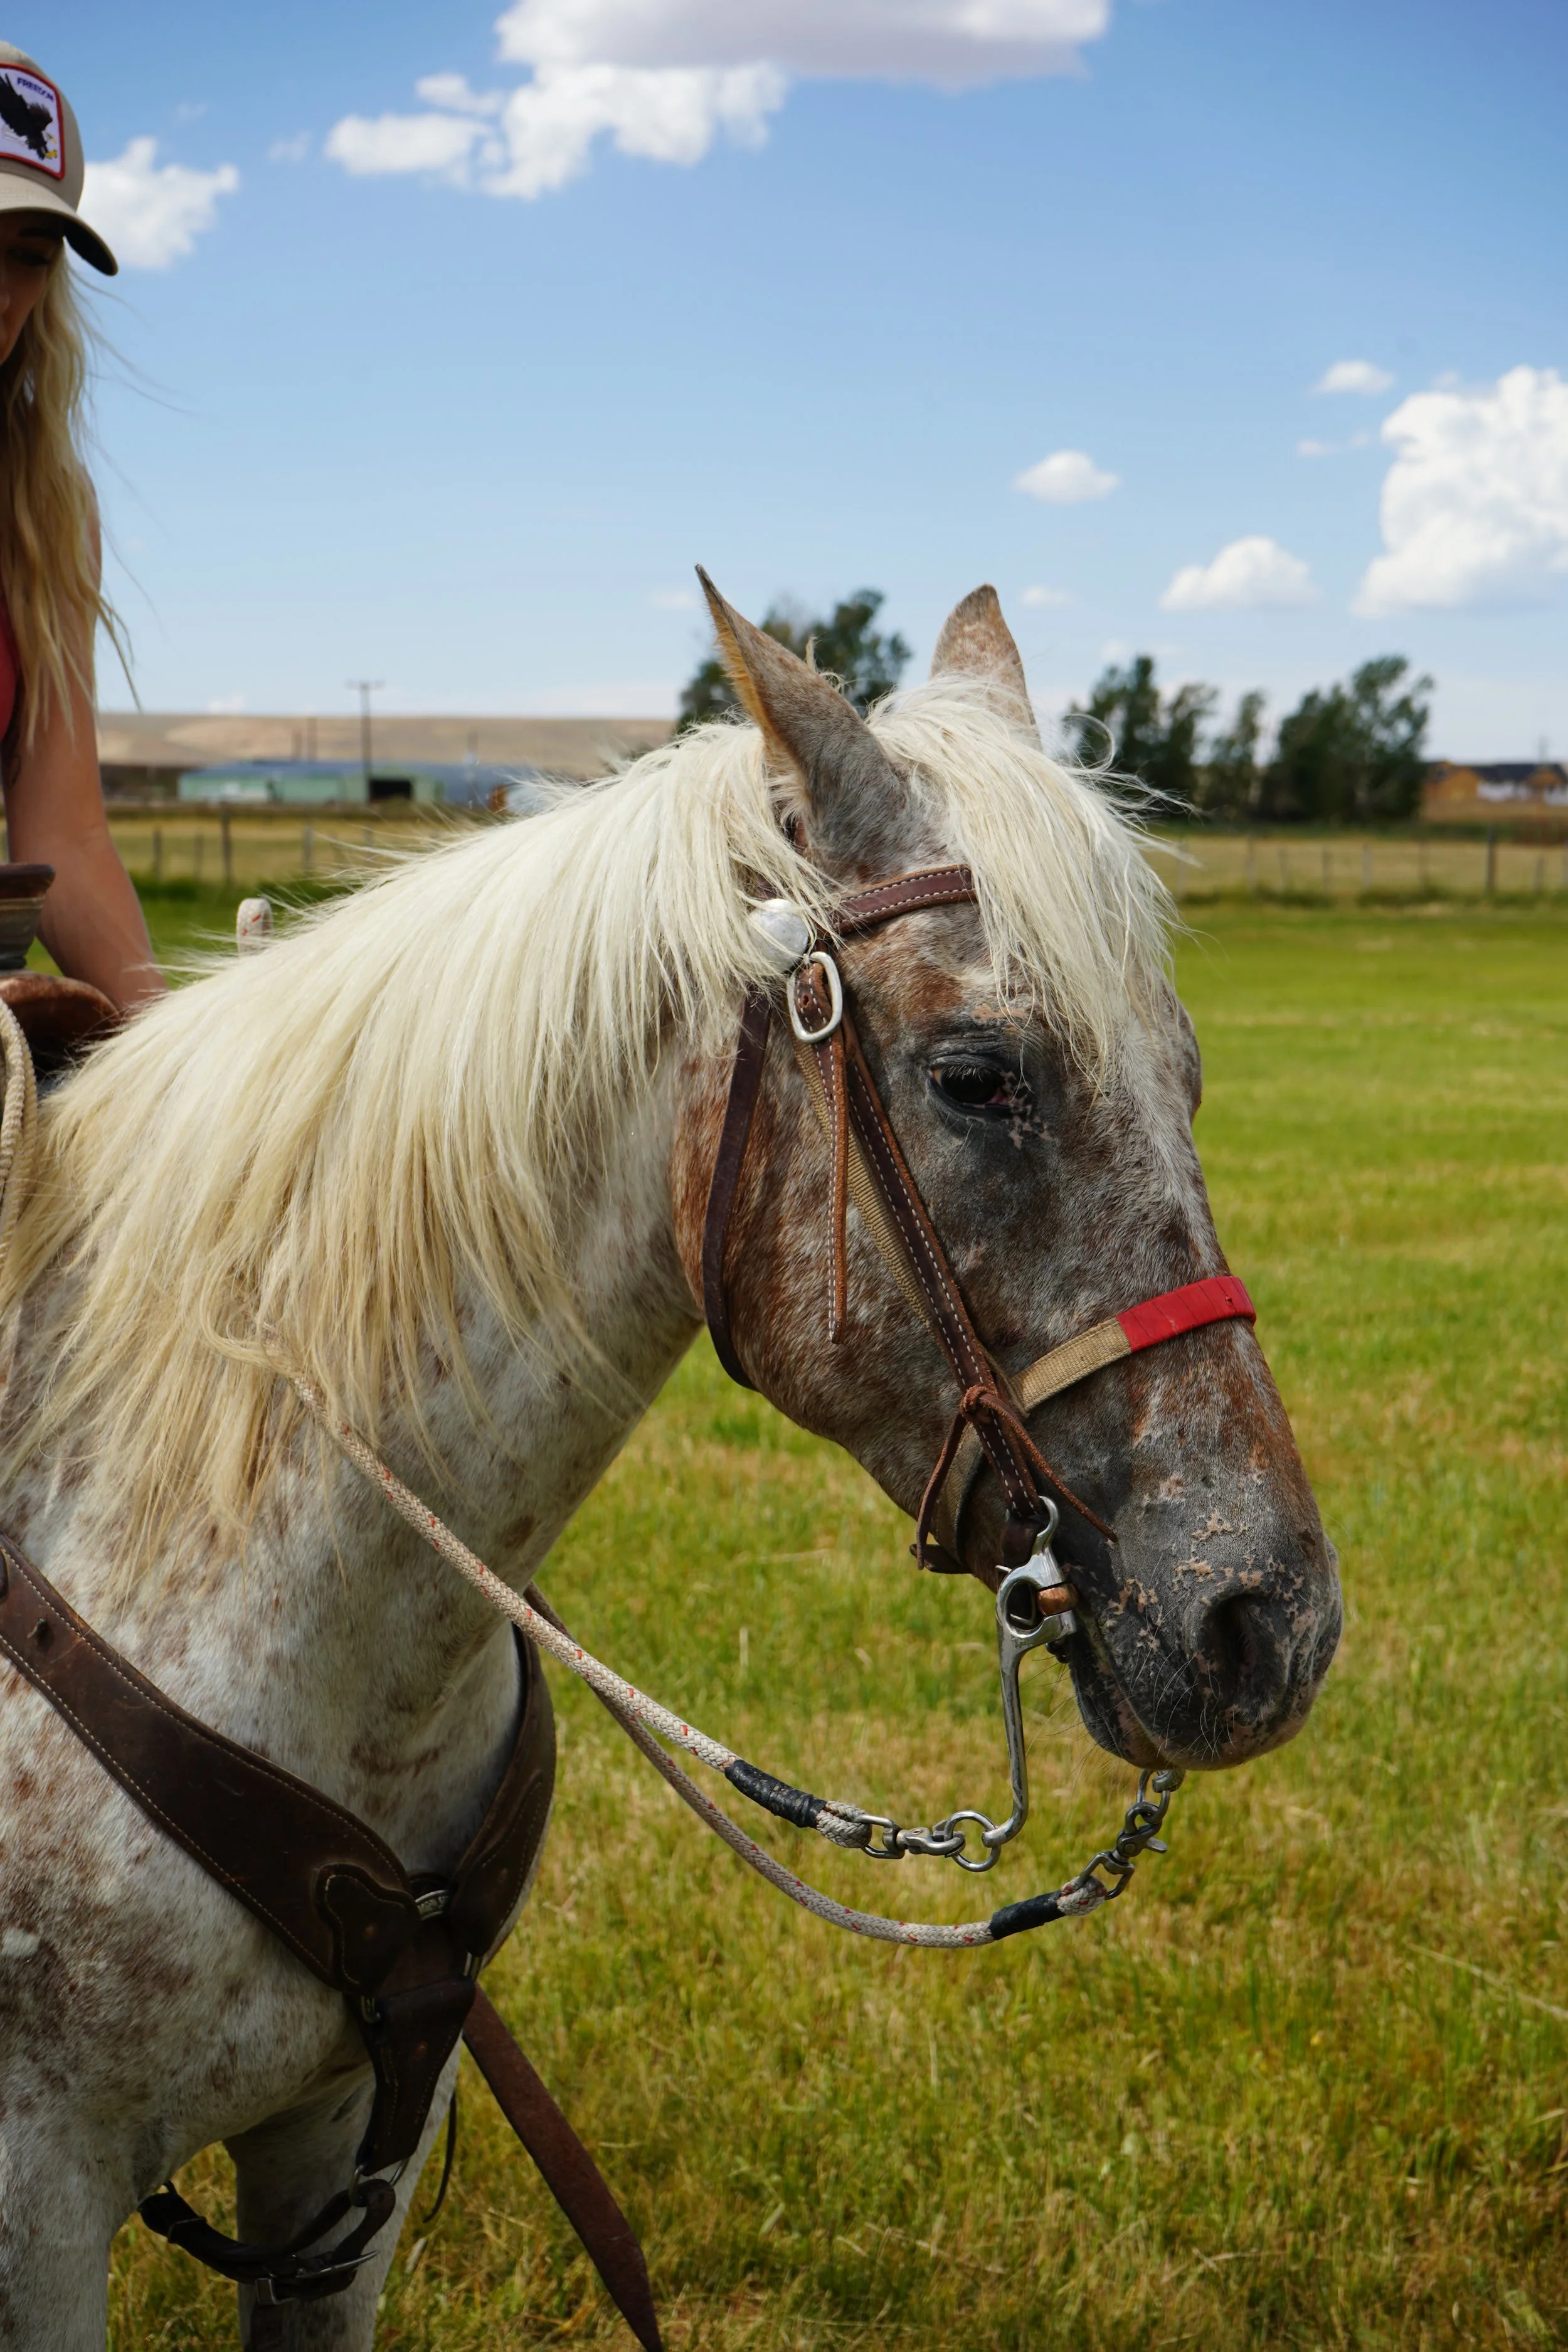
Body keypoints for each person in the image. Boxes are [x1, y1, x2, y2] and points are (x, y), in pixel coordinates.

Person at [0, 42, 159, 1014]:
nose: (3, 295)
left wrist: (188, 1067)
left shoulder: (46, 512)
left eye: (28, 256)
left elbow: (64, 839)